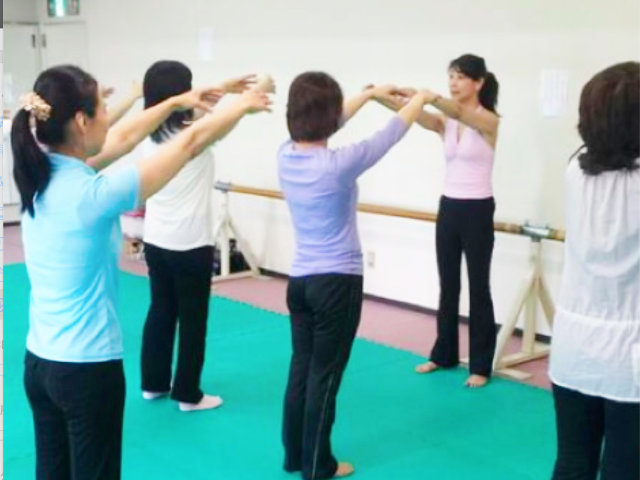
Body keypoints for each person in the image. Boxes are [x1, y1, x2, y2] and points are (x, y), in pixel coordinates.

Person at [12, 64, 270, 479]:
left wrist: (176, 102)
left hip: (40, 363)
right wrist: (242, 106)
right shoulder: (93, 194)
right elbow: (189, 144)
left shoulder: (39, 169)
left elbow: (127, 138)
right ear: (81, 121)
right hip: (85, 371)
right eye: (102, 108)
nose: (109, 118)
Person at [279, 71, 432, 479]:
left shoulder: (285, 155)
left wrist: (368, 95)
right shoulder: (337, 165)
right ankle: (318, 465)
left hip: (300, 283)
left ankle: (295, 455)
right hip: (336, 283)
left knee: (302, 368)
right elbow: (391, 133)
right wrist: (421, 98)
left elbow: (327, 122)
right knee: (325, 376)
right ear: (329, 116)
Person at [138, 60, 262, 411]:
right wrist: (245, 101)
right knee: (193, 320)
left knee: (161, 309)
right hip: (189, 244)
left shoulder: (146, 133)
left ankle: (154, 384)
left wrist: (226, 87)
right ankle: (188, 394)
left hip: (156, 240)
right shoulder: (193, 136)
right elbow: (220, 122)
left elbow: (196, 110)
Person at [379, 53, 500, 387]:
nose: (454, 83)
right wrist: (381, 97)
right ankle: (444, 354)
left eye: (460, 77)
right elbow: (415, 114)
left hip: (478, 209)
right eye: (451, 77)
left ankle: (480, 365)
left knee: (479, 286)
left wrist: (430, 96)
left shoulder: (489, 120)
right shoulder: (445, 122)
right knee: (448, 284)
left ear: (479, 82)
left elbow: (460, 112)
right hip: (449, 207)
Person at [548, 61, 639, 480]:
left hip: (574, 348)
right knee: (623, 469)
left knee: (573, 462)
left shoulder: (575, 171)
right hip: (629, 359)